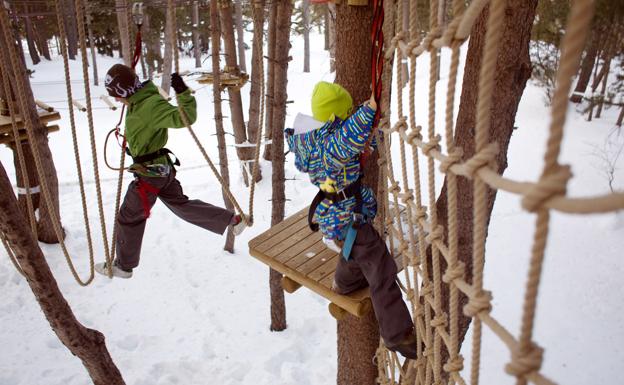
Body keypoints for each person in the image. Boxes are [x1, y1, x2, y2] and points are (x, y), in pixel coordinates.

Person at [285, 81, 417, 359]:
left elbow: (346, 132)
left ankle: (344, 284)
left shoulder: (315, 138)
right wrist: (368, 110)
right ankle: (397, 334)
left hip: (342, 216)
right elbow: (348, 136)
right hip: (345, 217)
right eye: (344, 115)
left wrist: (364, 115)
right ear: (334, 118)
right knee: (380, 265)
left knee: (356, 254)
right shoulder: (331, 146)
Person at [95, 64, 246, 279]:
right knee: (181, 205)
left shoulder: (149, 105)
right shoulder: (137, 101)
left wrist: (183, 92)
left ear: (124, 90)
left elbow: (185, 118)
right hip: (160, 171)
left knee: (129, 216)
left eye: (116, 95)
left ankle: (124, 266)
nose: (116, 100)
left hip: (151, 174)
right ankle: (232, 221)